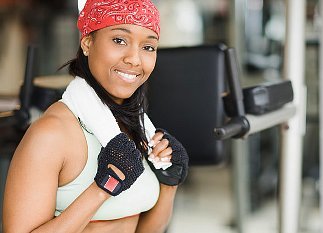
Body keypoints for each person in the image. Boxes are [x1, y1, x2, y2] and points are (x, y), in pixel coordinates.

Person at [3, 0, 189, 232]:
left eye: (148, 47)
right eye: (119, 40)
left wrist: (169, 183)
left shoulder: (137, 127)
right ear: (87, 43)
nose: (134, 58)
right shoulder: (51, 133)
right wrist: (103, 188)